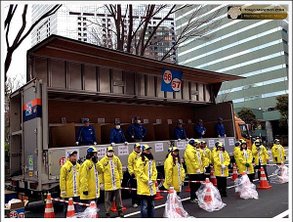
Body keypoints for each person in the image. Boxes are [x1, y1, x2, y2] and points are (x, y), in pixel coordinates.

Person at [100, 146, 124, 218]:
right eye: (109, 151)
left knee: (118, 198)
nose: (110, 153)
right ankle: (108, 212)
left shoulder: (116, 159)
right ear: (106, 152)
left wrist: (121, 178)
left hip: (116, 182)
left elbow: (120, 168)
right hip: (108, 183)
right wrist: (101, 183)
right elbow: (100, 173)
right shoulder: (103, 160)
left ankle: (120, 211)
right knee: (107, 199)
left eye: (111, 151)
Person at [136, 144, 157, 218]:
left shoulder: (151, 159)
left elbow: (154, 170)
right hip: (143, 187)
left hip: (151, 187)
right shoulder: (140, 160)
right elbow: (139, 172)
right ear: (143, 151)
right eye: (147, 150)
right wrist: (147, 180)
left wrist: (153, 179)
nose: (149, 151)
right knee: (144, 206)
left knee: (152, 205)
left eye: (149, 149)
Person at [60, 150, 82, 217]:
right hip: (68, 193)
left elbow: (81, 178)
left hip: (77, 192)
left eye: (75, 156)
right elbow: (62, 179)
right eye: (73, 156)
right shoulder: (65, 167)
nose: (74, 158)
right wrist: (63, 190)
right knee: (67, 209)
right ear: (69, 157)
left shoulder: (78, 166)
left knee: (78, 209)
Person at [183, 139, 205, 203]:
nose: (196, 145)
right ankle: (193, 198)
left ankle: (196, 196)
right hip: (193, 171)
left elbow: (199, 160)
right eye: (195, 143)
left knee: (198, 184)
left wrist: (202, 167)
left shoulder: (194, 149)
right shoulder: (189, 150)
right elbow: (193, 160)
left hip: (196, 170)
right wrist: (197, 168)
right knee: (194, 185)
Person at [127, 143, 142, 208]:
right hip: (134, 175)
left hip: (140, 175)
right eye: (137, 147)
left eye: (139, 147)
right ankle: (134, 202)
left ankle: (139, 201)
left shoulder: (141, 155)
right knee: (134, 190)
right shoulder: (131, 155)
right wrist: (131, 173)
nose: (138, 149)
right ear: (134, 148)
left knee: (140, 189)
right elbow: (129, 165)